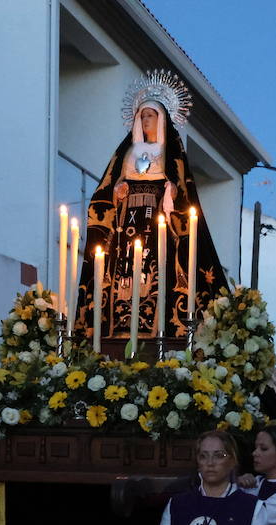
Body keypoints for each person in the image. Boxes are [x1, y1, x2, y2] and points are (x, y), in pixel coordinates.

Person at [74, 72, 228, 344]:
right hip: (126, 228)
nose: (145, 121)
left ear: (162, 121)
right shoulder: (126, 155)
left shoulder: (171, 156)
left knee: (155, 278)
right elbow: (104, 195)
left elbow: (184, 196)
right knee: (125, 283)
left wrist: (170, 193)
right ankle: (117, 330)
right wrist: (119, 192)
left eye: (151, 116)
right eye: (142, 116)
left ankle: (159, 329)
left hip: (157, 229)